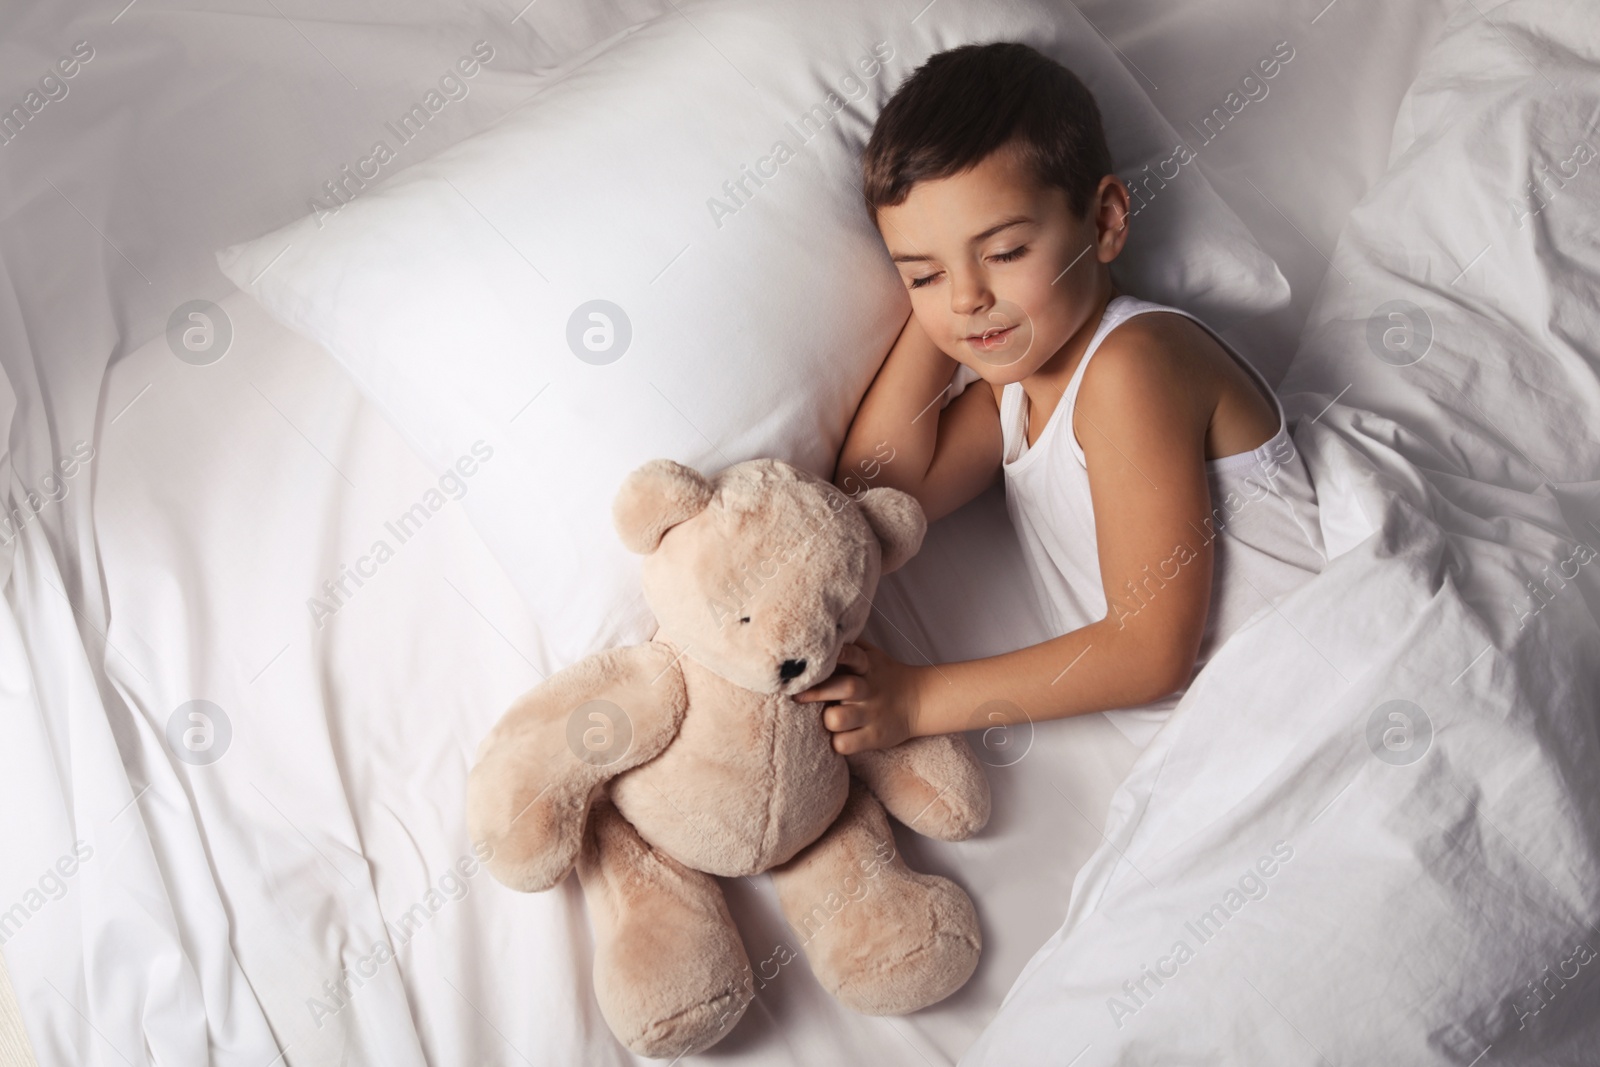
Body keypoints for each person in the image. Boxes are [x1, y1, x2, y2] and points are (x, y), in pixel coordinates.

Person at [797, 41, 1325, 754]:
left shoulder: (1132, 367)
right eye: (920, 275)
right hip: (1225, 744)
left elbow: (1149, 651)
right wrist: (952, 315)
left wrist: (919, 699)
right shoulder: (1010, 398)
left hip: (1310, 703)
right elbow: (875, 488)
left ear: (1105, 221)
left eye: (1005, 253)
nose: (967, 295)